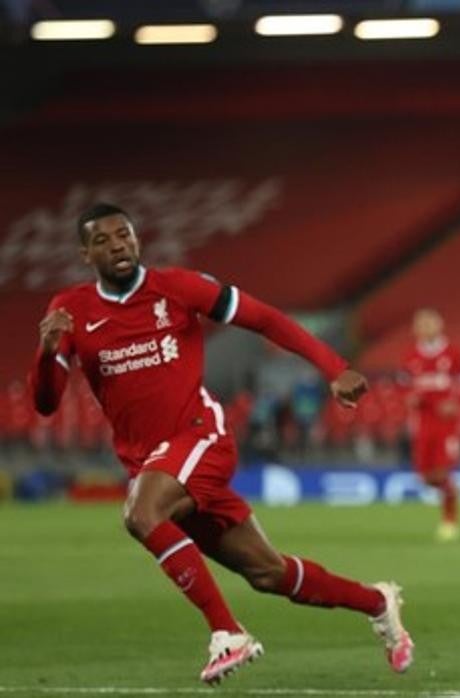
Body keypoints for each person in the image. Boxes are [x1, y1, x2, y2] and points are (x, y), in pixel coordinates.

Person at [29, 204, 414, 685]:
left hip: (198, 436)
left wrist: (334, 367)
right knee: (269, 574)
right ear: (85, 253)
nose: (118, 245)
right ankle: (378, 602)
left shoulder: (177, 287)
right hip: (153, 463)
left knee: (141, 514)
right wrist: (47, 354)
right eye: (103, 240)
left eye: (124, 234)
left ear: (137, 240)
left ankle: (227, 633)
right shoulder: (72, 311)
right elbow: (45, 403)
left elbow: (266, 319)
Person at [400, 307, 460, 541]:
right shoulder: (411, 356)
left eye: (430, 322)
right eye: (421, 323)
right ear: (415, 329)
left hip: (446, 423)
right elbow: (403, 386)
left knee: (441, 469)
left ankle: (450, 521)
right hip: (422, 422)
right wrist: (409, 397)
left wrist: (456, 403)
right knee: (426, 477)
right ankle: (451, 490)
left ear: (440, 325)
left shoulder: (453, 353)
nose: (425, 327)